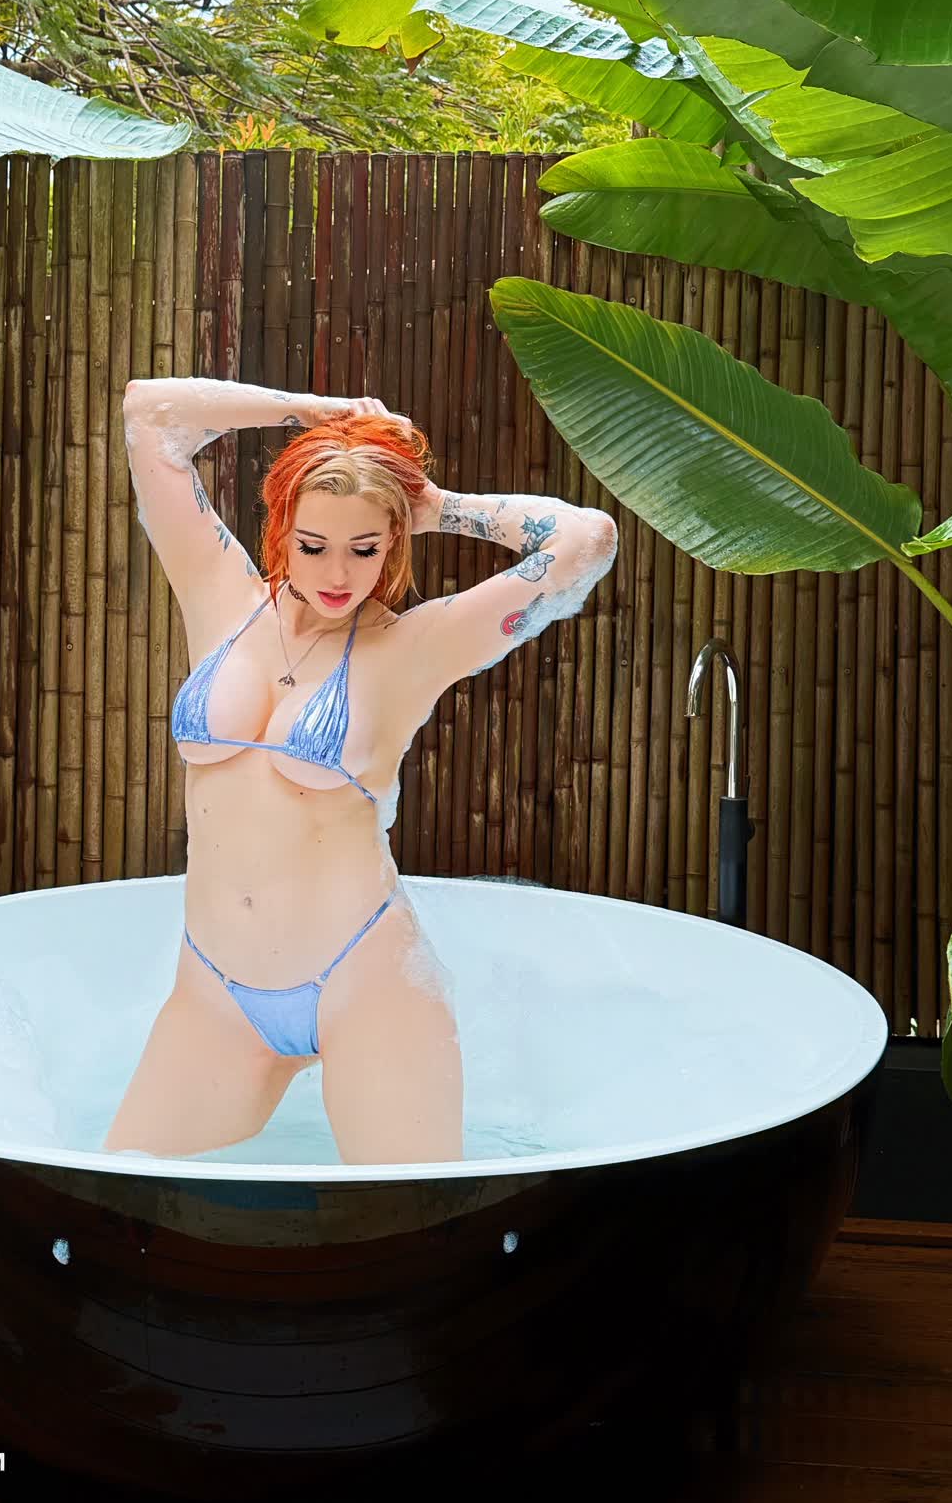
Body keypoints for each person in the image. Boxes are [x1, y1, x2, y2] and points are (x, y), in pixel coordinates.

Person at [103, 376, 618, 1165]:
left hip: (363, 982)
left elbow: (585, 540)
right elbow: (150, 413)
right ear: (282, 528)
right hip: (213, 988)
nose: (337, 572)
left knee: (412, 1219)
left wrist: (434, 505)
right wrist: (310, 413)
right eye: (313, 545)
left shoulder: (414, 645)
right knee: (118, 1194)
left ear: (393, 542)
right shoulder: (219, 596)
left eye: (364, 548)